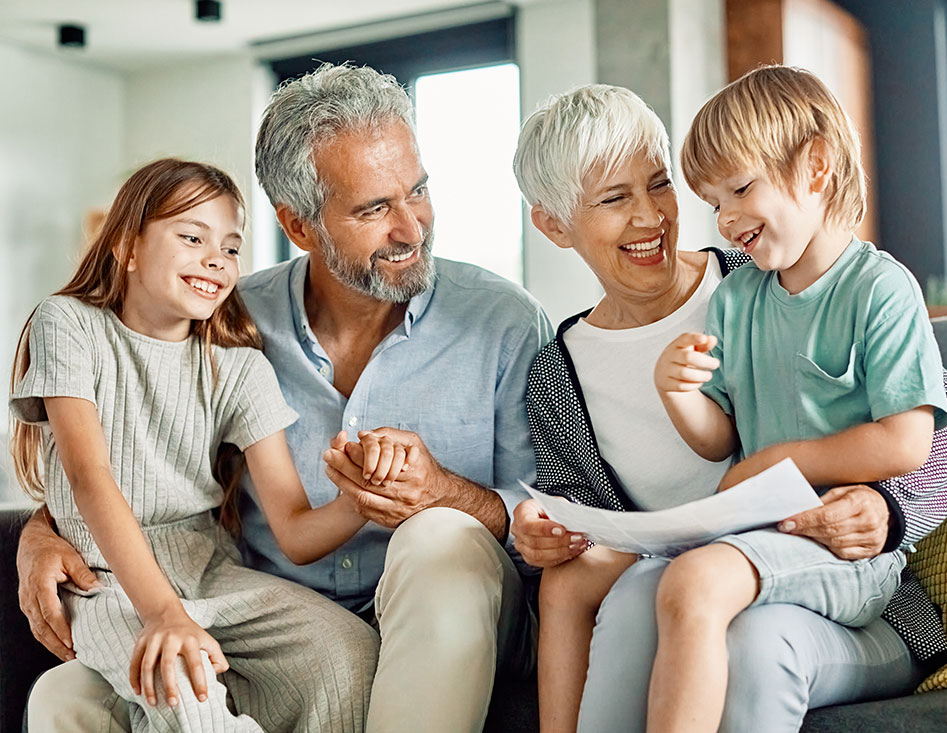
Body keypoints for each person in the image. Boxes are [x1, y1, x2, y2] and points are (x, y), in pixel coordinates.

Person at [17, 63, 551, 732]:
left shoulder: (504, 322)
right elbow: (130, 446)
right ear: (299, 225)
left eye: (417, 191)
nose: (412, 227)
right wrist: (40, 533)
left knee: (439, 534)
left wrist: (442, 492)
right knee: (63, 697)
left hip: (450, 615)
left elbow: (552, 519)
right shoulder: (228, 323)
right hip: (263, 618)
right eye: (374, 208)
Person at [510, 83, 947, 732]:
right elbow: (580, 513)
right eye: (615, 198)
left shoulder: (765, 272)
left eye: (659, 184)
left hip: (810, 560)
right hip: (676, 570)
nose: (650, 217)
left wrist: (889, 505)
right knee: (608, 591)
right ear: (554, 224)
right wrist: (547, 533)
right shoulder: (557, 373)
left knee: (685, 592)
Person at [8, 158, 375, 731]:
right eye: (191, 237)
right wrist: (163, 614)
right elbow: (89, 477)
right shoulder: (68, 324)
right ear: (128, 245)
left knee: (347, 653)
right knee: (189, 699)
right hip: (107, 581)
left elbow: (297, 531)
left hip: (212, 571)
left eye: (231, 248)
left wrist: (360, 499)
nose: (217, 259)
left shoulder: (240, 368)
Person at [646, 64, 947, 729]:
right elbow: (720, 436)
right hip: (765, 537)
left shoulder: (880, 289)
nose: (725, 218)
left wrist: (783, 460)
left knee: (693, 581)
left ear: (815, 168)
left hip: (853, 555)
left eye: (740, 188)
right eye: (713, 201)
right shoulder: (736, 299)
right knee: (651, 583)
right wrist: (680, 395)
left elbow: (908, 441)